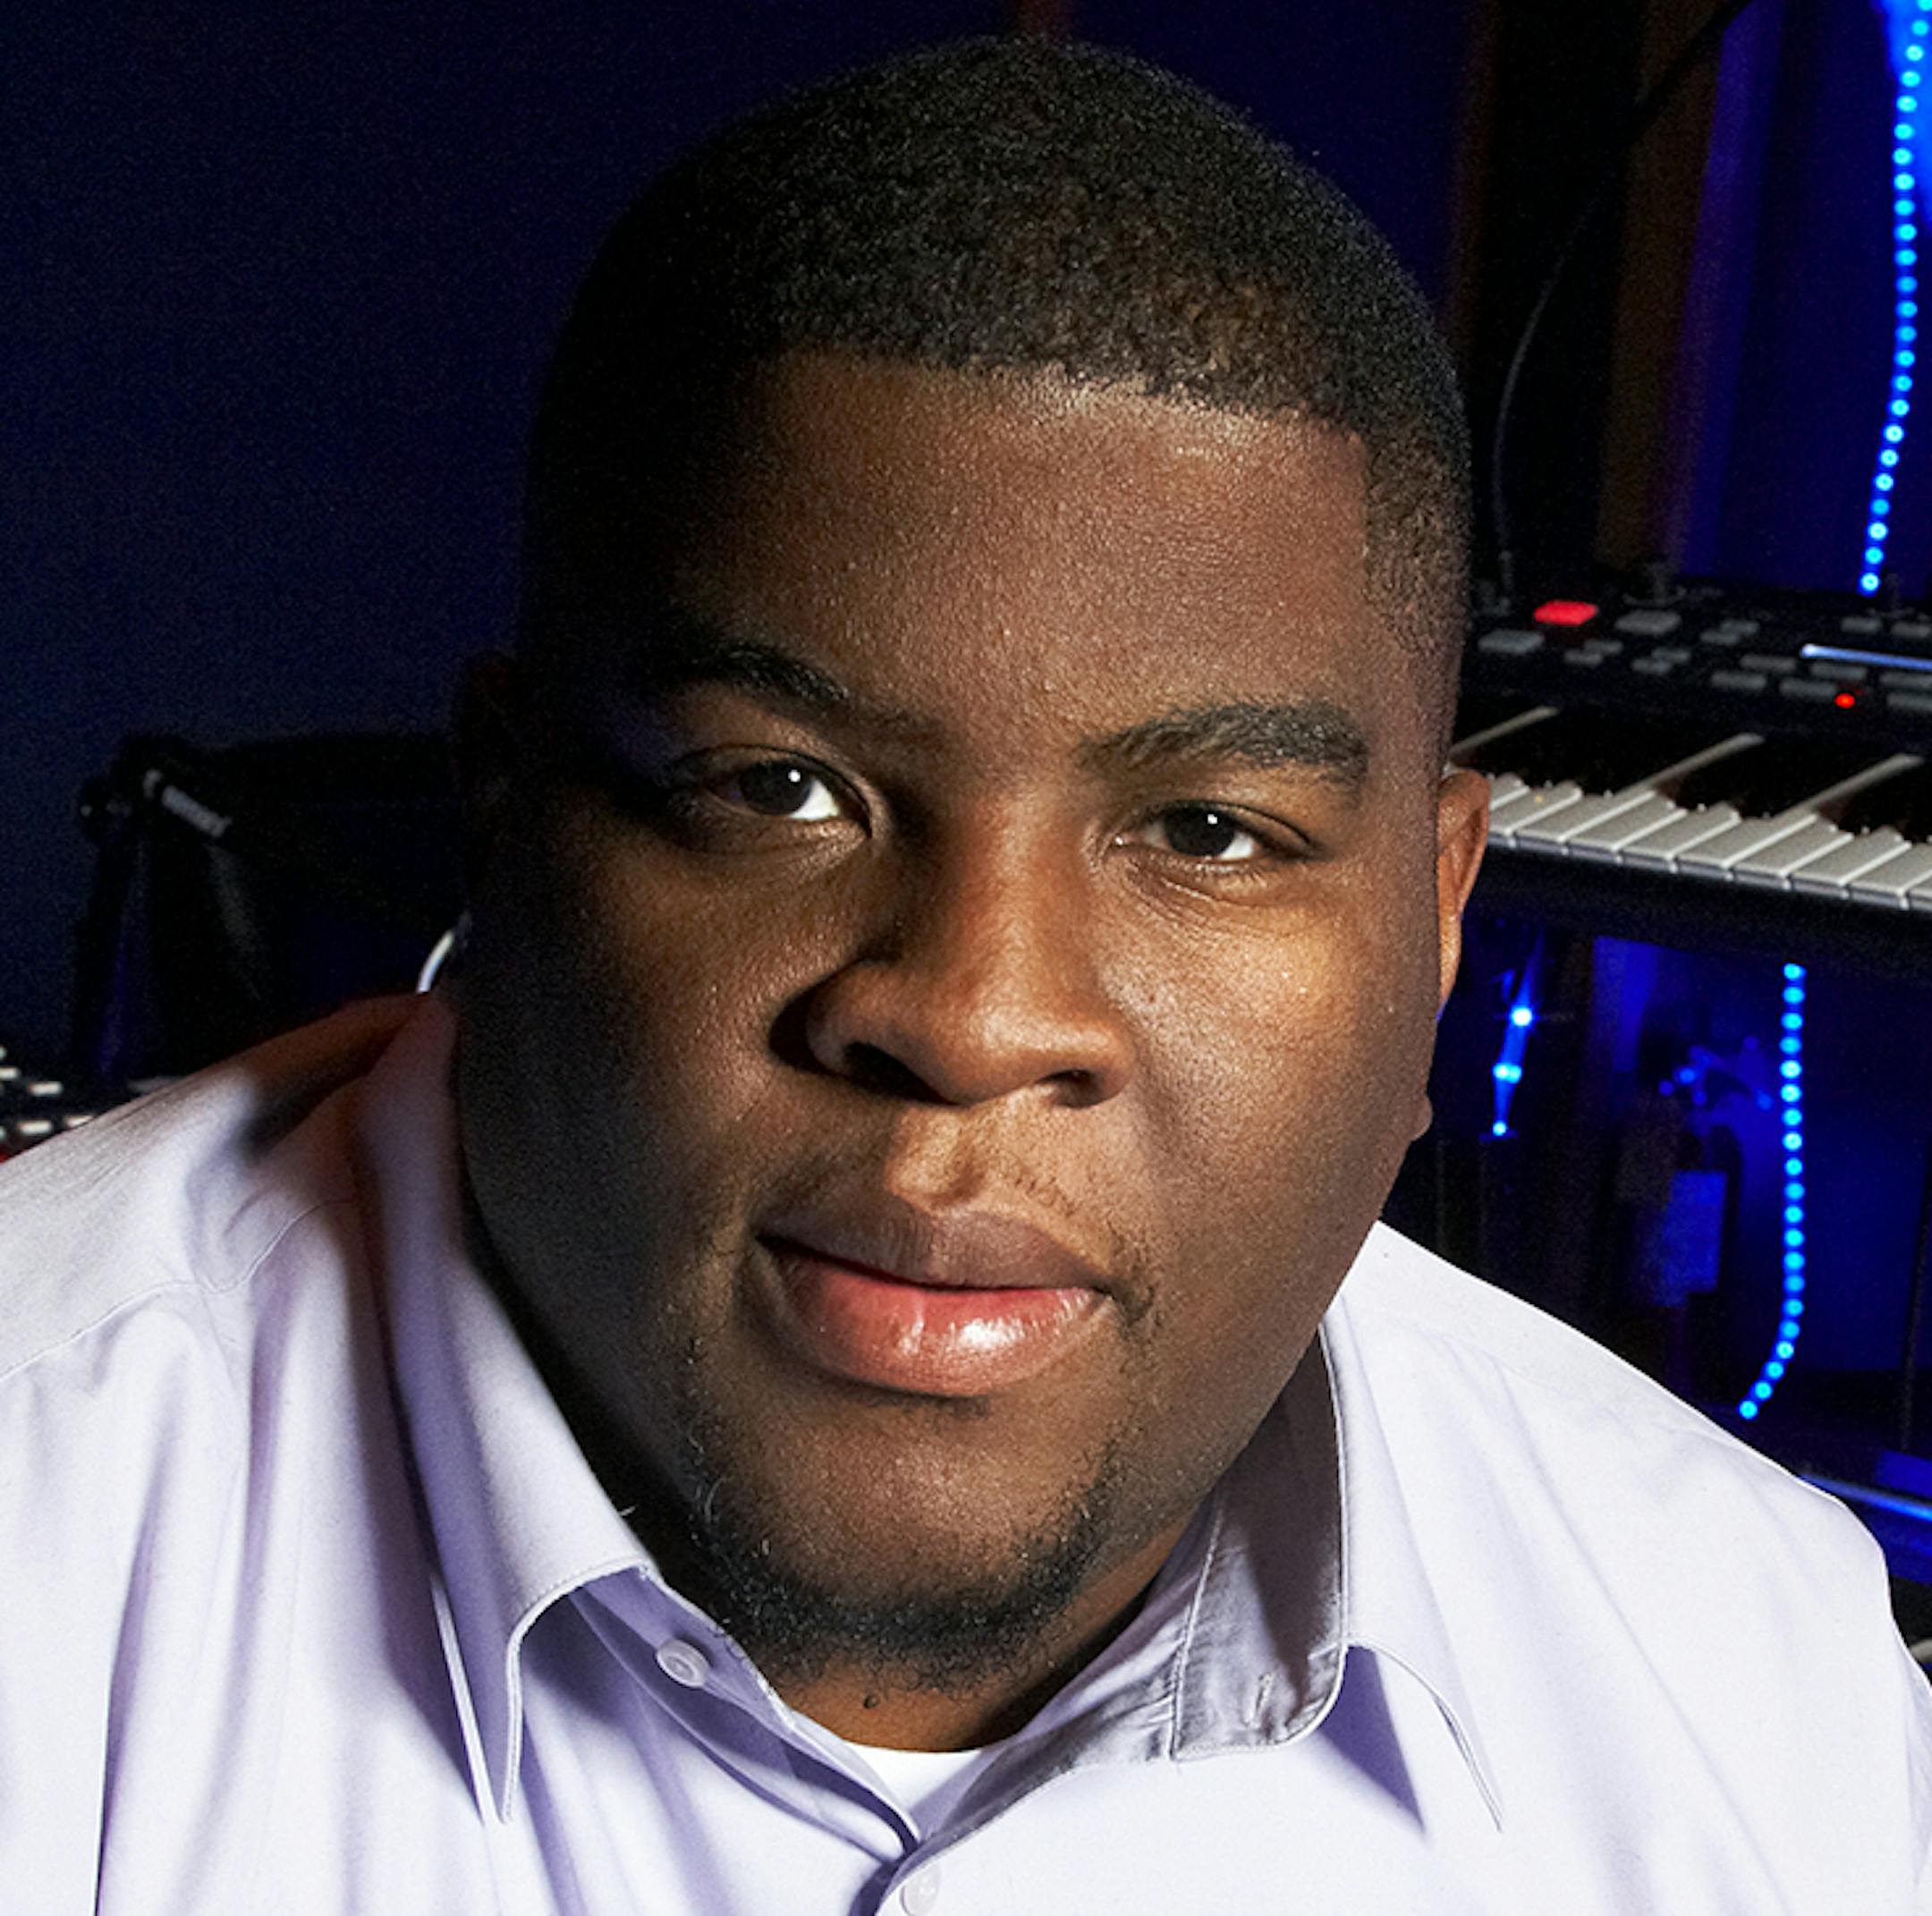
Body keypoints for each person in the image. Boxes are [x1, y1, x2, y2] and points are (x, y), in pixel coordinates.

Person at [4, 35, 1928, 1914]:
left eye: (1210, 832)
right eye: (782, 788)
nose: (974, 1017)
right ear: (502, 821)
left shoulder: (1750, 1670)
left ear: (1435, 928)